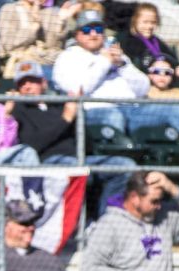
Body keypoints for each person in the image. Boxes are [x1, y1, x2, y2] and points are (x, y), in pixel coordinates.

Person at [52, 9, 179, 154]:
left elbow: (143, 87)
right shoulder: (68, 58)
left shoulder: (116, 54)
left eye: (98, 29)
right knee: (113, 116)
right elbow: (77, 89)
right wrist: (104, 62)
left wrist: (123, 64)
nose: (93, 34)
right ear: (77, 34)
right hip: (96, 112)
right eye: (86, 30)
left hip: (134, 109)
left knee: (173, 107)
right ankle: (122, 162)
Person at [10, 60, 136, 212]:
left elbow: (85, 142)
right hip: (49, 162)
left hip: (78, 159)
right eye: (22, 83)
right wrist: (66, 119)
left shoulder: (59, 104)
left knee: (125, 166)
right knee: (80, 172)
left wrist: (77, 114)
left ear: (43, 83)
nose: (27, 87)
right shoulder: (18, 110)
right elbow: (32, 144)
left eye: (32, 81)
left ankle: (105, 217)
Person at [0, 0, 79, 77]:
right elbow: (9, 45)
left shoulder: (51, 12)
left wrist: (60, 20)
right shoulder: (9, 9)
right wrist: (34, 25)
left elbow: (52, 47)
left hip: (47, 66)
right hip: (19, 68)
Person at [121, 3, 179, 82]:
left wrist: (178, 67)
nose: (149, 26)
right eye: (145, 22)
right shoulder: (127, 40)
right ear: (135, 21)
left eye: (153, 22)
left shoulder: (156, 41)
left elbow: (172, 58)